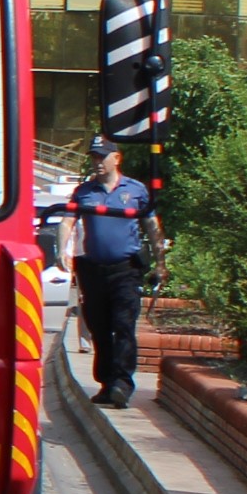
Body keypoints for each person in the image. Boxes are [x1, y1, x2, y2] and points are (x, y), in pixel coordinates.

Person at [51, 138, 163, 407]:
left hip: (125, 270)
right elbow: (68, 221)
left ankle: (122, 384)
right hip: (93, 270)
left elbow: (152, 226)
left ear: (117, 158)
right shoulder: (84, 192)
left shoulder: (135, 191)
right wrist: (61, 249)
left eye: (102, 157)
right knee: (99, 329)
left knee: (123, 326)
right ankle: (105, 382)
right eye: (93, 157)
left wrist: (161, 262)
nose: (97, 163)